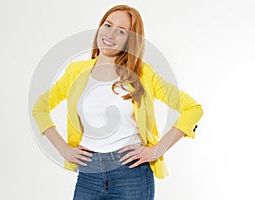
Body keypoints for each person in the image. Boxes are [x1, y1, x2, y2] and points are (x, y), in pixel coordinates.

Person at [32, 4, 203, 200]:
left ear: (130, 41)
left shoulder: (143, 74)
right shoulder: (75, 72)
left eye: (121, 31)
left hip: (131, 173)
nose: (110, 34)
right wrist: (64, 149)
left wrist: (157, 150)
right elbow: (40, 108)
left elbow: (193, 109)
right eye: (107, 25)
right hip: (89, 173)